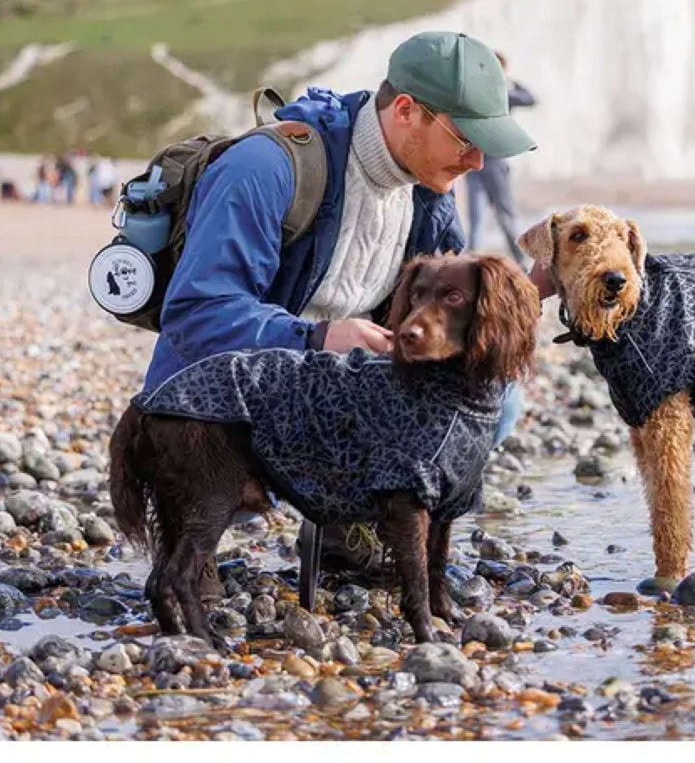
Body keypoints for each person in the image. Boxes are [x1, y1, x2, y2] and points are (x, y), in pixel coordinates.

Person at [142, 30, 539, 578]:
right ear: (406, 110)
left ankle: (352, 522)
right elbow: (197, 313)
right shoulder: (266, 167)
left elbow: (456, 320)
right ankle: (192, 528)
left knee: (498, 395)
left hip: (326, 399)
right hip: (216, 407)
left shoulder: (431, 199)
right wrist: (317, 338)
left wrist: (532, 297)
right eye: (464, 138)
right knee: (189, 581)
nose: (476, 162)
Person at [465, 51, 536, 265]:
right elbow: (529, 98)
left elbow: (530, 99)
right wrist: (512, 82)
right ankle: (519, 262)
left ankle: (475, 260)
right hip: (487, 160)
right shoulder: (501, 92)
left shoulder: (479, 91)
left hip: (482, 160)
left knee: (484, 215)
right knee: (496, 214)